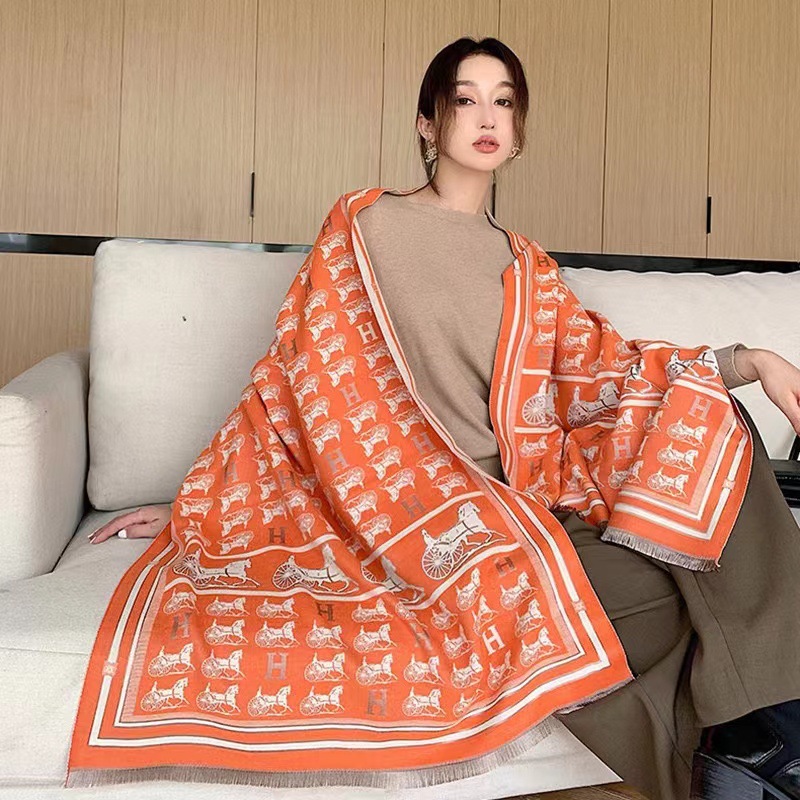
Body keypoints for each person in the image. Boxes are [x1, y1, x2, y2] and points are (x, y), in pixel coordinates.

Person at [87, 37, 800, 800]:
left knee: (705, 427)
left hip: (528, 503)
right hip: (416, 517)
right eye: (465, 99)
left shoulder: (527, 266)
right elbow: (293, 381)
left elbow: (607, 372)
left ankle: (760, 739)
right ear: (428, 123)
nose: (486, 117)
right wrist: (201, 505)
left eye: (504, 102)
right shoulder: (365, 227)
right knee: (630, 606)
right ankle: (745, 750)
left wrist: (748, 360)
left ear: (518, 131)